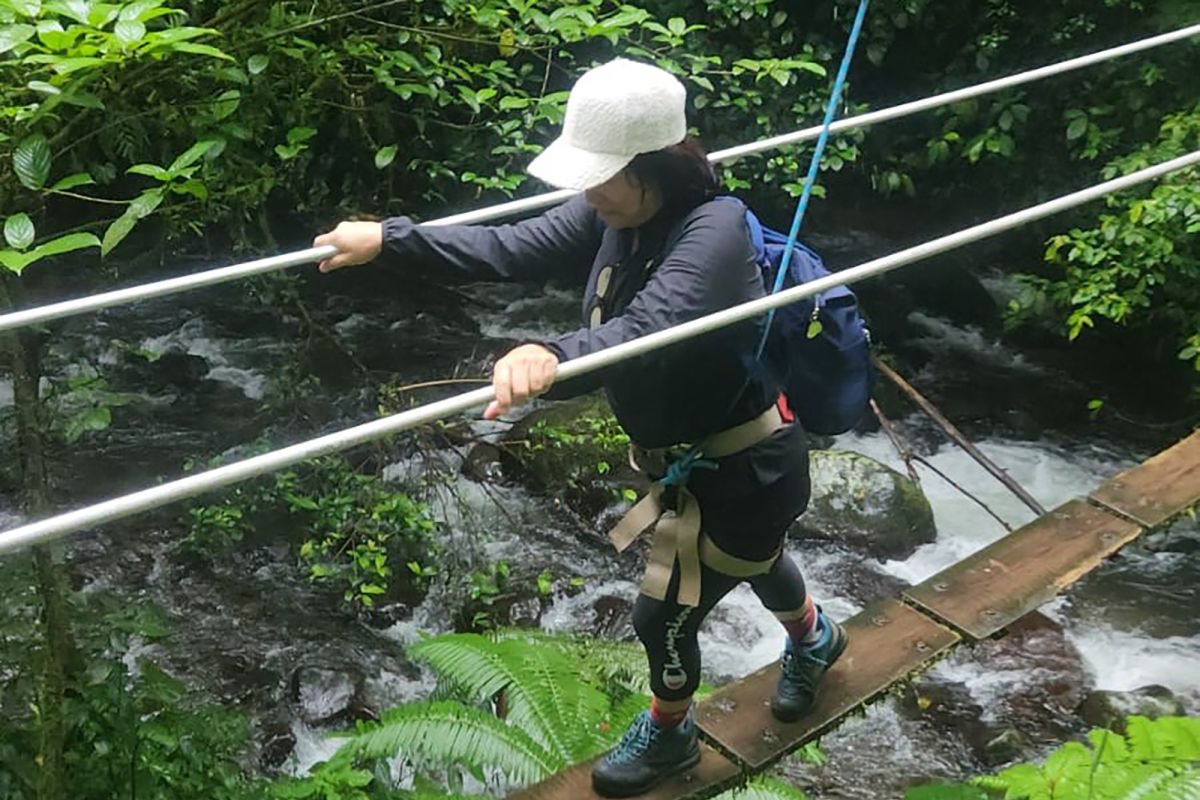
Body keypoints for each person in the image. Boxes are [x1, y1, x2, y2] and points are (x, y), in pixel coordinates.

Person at [314, 58, 848, 798]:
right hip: (695, 463)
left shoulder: (714, 231)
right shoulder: (614, 213)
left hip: (750, 464)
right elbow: (507, 249)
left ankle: (670, 735)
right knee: (752, 560)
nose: (588, 191)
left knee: (660, 614)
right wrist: (391, 239)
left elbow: (649, 329)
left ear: (654, 166)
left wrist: (550, 353)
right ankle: (816, 639)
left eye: (603, 174)